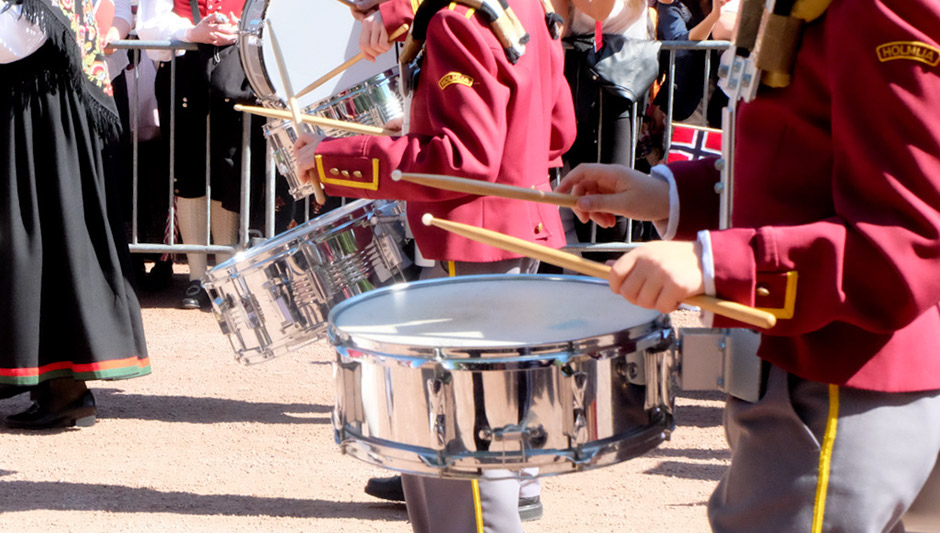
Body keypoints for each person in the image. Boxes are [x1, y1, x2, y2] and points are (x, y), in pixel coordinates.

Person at [556, 0, 940, 530]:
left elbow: (907, 241)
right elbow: (793, 163)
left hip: (839, 378)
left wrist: (715, 262)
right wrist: (666, 197)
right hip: (793, 371)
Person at [294, 0, 575, 530]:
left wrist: (336, 158)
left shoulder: (455, 21)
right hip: (518, 233)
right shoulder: (531, 6)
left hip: (469, 245)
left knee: (458, 444)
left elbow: (462, 160)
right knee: (485, 420)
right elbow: (558, 130)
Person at [0, 0, 151, 428]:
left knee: (48, 245)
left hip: (41, 120)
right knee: (45, 244)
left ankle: (65, 390)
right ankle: (55, 388)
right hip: (40, 114)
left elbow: (13, 41)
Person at [136, 0, 260, 310]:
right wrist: (192, 32)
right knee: (188, 173)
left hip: (235, 66)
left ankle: (226, 275)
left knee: (229, 171)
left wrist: (241, 31)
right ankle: (197, 277)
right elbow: (149, 28)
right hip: (182, 70)